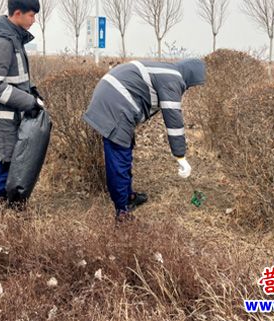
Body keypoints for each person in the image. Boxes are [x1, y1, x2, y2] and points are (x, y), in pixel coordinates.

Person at [83, 58, 206, 221]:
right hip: (115, 103)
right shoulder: (173, 80)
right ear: (190, 77)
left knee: (124, 150)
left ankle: (128, 196)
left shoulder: (168, 71)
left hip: (112, 98)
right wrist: (180, 156)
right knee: (119, 157)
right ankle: (122, 212)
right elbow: (174, 121)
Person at [0, 0, 45, 210]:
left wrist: (31, 92)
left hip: (7, 117)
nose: (34, 20)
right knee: (4, 163)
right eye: (31, 15)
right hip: (1, 120)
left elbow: (16, 77)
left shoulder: (13, 38)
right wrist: (28, 102)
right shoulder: (2, 43)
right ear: (17, 13)